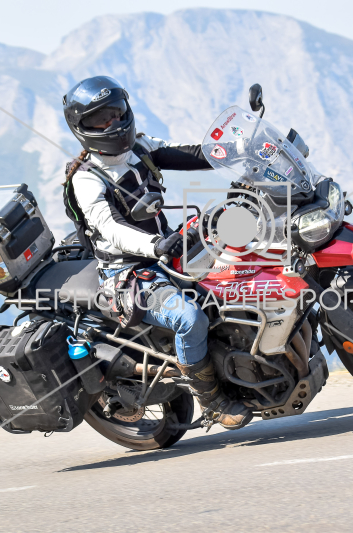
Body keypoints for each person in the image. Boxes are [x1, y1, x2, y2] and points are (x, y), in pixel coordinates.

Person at [61, 76, 252, 430]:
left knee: (245, 264)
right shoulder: (87, 179)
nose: (113, 123)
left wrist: (239, 151)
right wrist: (154, 245)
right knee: (189, 319)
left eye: (116, 112)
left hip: (167, 249)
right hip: (129, 273)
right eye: (100, 119)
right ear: (83, 127)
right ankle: (211, 400)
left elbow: (192, 154)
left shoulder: (140, 148)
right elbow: (111, 228)